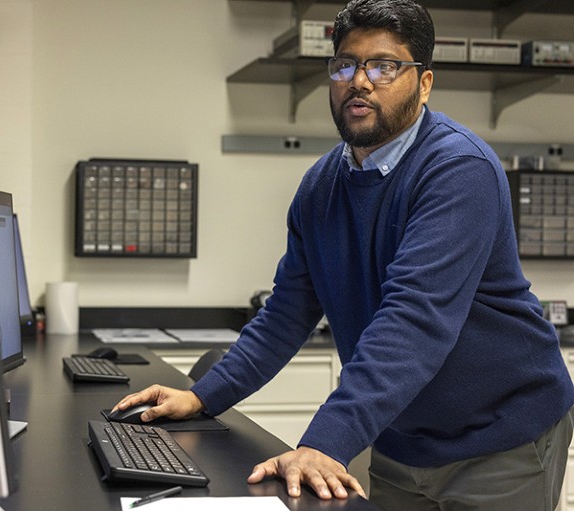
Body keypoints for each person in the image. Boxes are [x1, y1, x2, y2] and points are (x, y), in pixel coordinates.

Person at [113, 1, 574, 509]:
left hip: (499, 441)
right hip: (403, 440)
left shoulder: (458, 170)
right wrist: (203, 395)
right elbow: (286, 314)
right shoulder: (321, 185)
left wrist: (321, 445)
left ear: (424, 84)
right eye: (345, 65)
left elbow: (413, 323)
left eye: (384, 65)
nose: (360, 80)